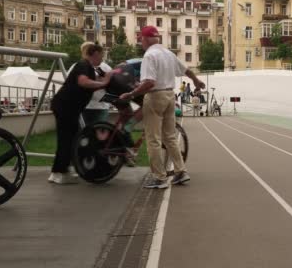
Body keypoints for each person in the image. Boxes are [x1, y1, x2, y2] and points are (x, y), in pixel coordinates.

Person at [120, 26, 205, 189]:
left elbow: (150, 82)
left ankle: (159, 178)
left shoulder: (149, 55)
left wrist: (131, 94)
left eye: (141, 40)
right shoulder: (168, 54)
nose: (141, 43)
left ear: (144, 39)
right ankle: (180, 172)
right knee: (170, 136)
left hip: (155, 97)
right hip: (169, 96)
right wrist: (196, 81)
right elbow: (186, 70)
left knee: (153, 139)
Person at [49, 43, 111, 184]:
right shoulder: (84, 65)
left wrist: (101, 81)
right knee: (68, 139)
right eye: (101, 55)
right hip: (67, 107)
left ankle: (56, 171)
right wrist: (104, 83)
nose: (102, 59)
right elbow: (83, 82)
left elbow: (87, 86)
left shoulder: (86, 67)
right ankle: (61, 173)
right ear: (95, 54)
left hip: (65, 107)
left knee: (70, 138)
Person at [68, 60, 113, 125]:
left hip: (101, 107)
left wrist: (103, 82)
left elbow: (112, 85)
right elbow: (69, 82)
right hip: (81, 106)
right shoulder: (76, 66)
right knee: (82, 132)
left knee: (99, 131)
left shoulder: (106, 67)